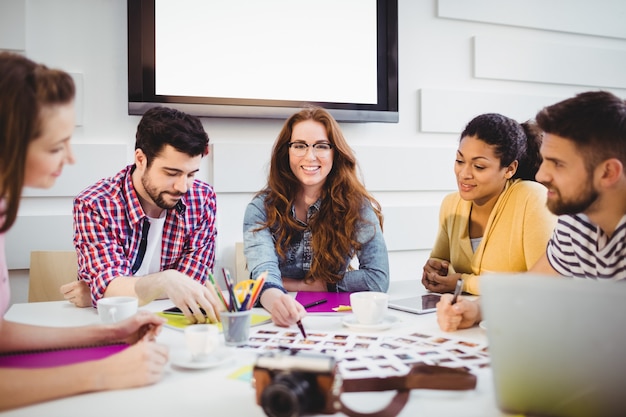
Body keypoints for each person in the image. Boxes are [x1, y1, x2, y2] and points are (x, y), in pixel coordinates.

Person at [0, 52, 168, 411]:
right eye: (56, 146)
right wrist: (103, 373)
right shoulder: (94, 201)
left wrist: (107, 333)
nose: (71, 158)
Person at [437, 90, 626, 331]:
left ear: (608, 173)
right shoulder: (576, 224)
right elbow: (532, 288)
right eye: (545, 160)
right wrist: (476, 310)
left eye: (558, 163)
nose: (541, 175)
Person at [61, 106, 222, 324]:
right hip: (114, 326)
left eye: (191, 174)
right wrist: (166, 281)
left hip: (175, 323)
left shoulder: (202, 198)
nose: (183, 186)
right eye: (171, 173)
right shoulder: (95, 204)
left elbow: (192, 281)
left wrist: (103, 293)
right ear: (140, 159)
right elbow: (109, 286)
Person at [243, 106, 390, 327]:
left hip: (338, 321)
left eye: (321, 146)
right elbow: (265, 277)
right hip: (280, 320)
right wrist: (277, 300)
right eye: (300, 146)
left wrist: (309, 285)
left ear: (335, 153)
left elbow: (377, 279)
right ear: (287, 151)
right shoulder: (260, 208)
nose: (310, 156)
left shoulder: (357, 207)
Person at [422, 113, 557, 295]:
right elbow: (440, 261)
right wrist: (434, 272)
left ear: (510, 169)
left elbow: (545, 284)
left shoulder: (532, 198)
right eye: (460, 161)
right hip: (464, 318)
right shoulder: (451, 204)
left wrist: (465, 282)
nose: (464, 174)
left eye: (479, 167)